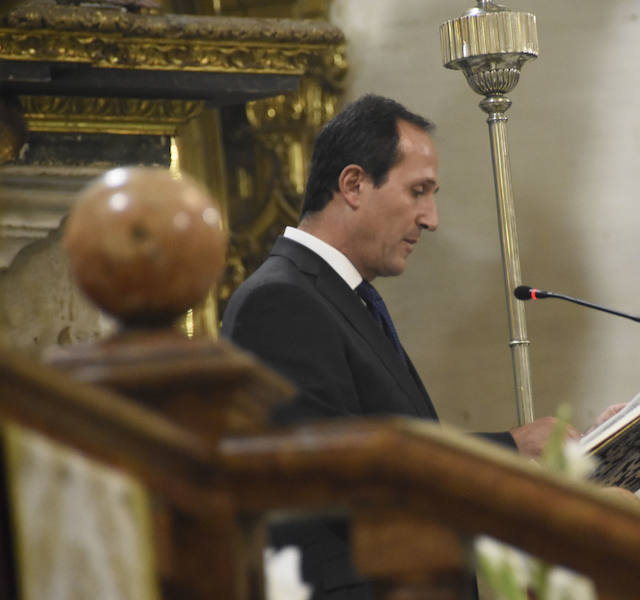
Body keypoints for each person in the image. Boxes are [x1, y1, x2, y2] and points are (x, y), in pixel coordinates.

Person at [221, 94, 581, 599]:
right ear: (353, 184)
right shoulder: (280, 300)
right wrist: (512, 449)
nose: (431, 218)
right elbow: (333, 470)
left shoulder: (337, 296)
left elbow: (385, 446)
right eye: (418, 192)